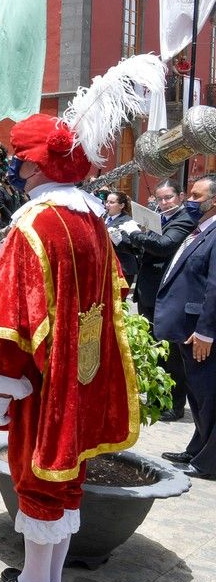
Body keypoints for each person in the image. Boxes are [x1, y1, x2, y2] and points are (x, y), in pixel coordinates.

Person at [0, 114, 139, 582]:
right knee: (68, 478)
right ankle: (48, 578)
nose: (18, 172)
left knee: (38, 476)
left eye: (23, 162)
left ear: (39, 165)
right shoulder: (91, 220)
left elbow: (11, 317)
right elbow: (114, 294)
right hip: (79, 372)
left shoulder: (35, 224)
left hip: (40, 381)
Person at [154, 174, 216, 480]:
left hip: (200, 333)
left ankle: (210, 462)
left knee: (208, 397)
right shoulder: (200, 230)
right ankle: (198, 448)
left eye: (195, 196)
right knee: (196, 395)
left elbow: (215, 288)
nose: (189, 201)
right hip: (187, 329)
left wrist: (206, 331)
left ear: (213, 201)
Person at [124, 180, 196, 421]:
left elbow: (164, 247)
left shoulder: (184, 218)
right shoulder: (160, 218)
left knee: (170, 352)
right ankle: (156, 397)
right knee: (154, 347)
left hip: (166, 293)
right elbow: (148, 250)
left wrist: (135, 234)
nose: (163, 203)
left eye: (168, 198)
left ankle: (174, 404)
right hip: (148, 291)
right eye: (159, 199)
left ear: (181, 196)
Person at [102, 190, 139, 285]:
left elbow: (134, 246)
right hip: (107, 267)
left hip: (123, 269)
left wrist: (117, 238)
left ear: (121, 206)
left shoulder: (128, 221)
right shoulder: (104, 218)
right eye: (107, 201)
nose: (107, 205)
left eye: (112, 202)